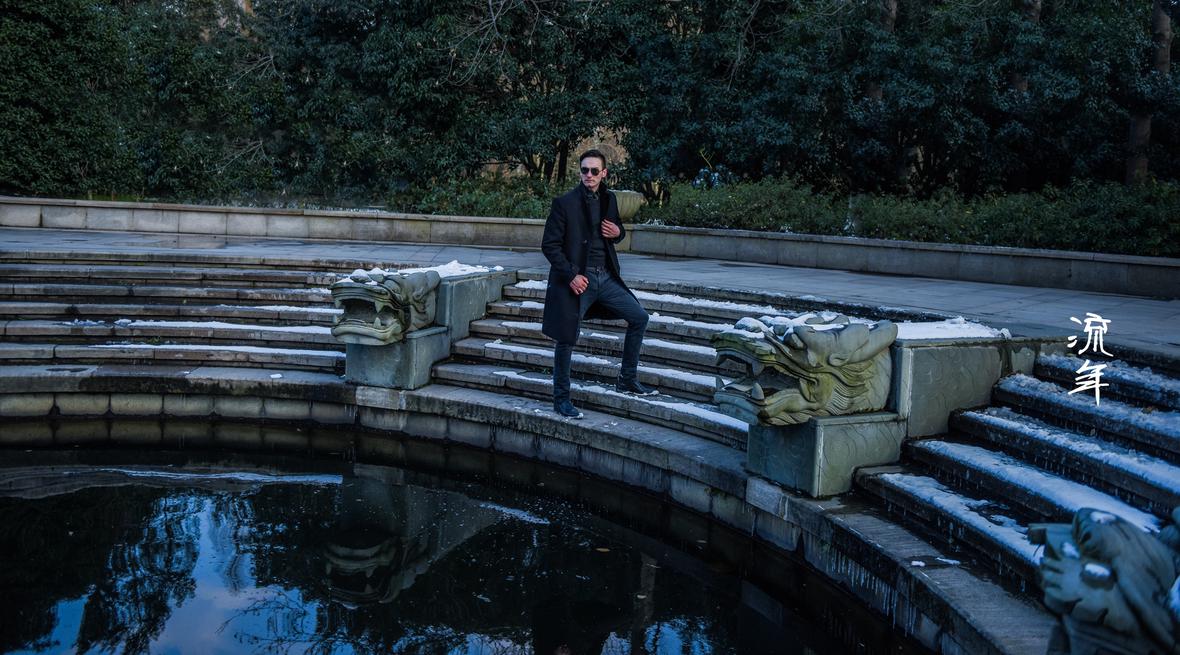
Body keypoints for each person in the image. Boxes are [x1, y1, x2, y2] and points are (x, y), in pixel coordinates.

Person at [541, 149, 657, 419]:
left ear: (604, 173)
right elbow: (549, 245)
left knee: (639, 317)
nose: (589, 175)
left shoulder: (609, 199)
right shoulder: (564, 203)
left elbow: (615, 232)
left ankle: (627, 379)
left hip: (606, 277)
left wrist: (619, 232)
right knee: (566, 336)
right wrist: (571, 275)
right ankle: (561, 399)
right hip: (579, 280)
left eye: (594, 171)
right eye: (584, 170)